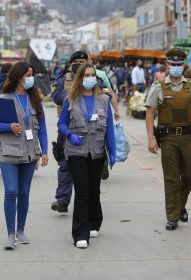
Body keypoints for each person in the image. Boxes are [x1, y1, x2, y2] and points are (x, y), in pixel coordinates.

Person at [0, 62, 48, 250]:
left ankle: (21, 230)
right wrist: (8, 127)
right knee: (11, 191)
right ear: (19, 76)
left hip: (30, 152)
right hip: (9, 152)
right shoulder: (4, 98)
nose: (31, 78)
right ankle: (10, 234)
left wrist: (44, 151)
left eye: (32, 74)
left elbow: (43, 128)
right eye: (28, 74)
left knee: (24, 193)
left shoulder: (35, 98)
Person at [50, 51, 119, 214]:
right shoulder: (62, 80)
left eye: (83, 61)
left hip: (95, 130)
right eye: (77, 61)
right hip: (70, 127)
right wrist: (77, 91)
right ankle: (62, 199)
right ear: (71, 64)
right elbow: (57, 97)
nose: (80, 64)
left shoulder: (97, 79)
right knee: (65, 163)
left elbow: (106, 95)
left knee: (91, 172)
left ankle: (90, 202)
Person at [145, 47, 191, 231]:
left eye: (179, 64)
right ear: (167, 65)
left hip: (188, 136)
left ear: (183, 65)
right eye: (173, 64)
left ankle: (180, 206)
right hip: (168, 138)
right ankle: (172, 216)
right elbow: (149, 111)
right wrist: (150, 139)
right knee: (171, 178)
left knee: (190, 175)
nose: (176, 67)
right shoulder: (158, 86)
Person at [57, 63, 116, 248]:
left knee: (94, 189)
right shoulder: (71, 100)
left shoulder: (104, 100)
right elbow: (61, 124)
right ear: (80, 78)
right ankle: (80, 234)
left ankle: (94, 221)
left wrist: (112, 151)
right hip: (76, 151)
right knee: (82, 191)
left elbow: (110, 129)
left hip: (97, 151)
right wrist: (69, 135)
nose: (90, 78)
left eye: (92, 75)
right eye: (86, 75)